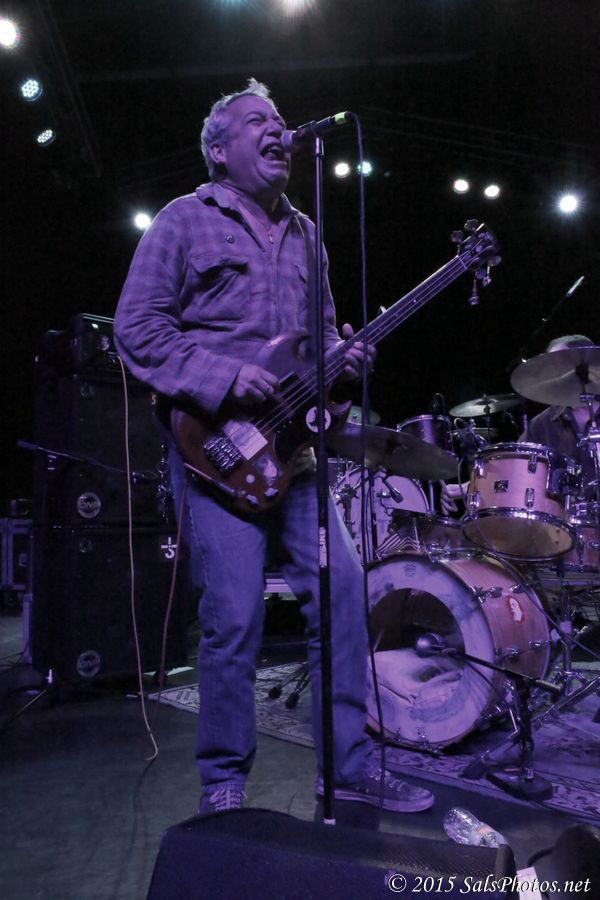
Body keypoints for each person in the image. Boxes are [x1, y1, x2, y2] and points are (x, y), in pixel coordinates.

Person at [113, 79, 433, 815]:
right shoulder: (183, 221)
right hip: (215, 451)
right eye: (258, 120)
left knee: (343, 594)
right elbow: (137, 329)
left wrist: (344, 364)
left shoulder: (308, 234)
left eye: (282, 120)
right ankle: (224, 785)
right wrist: (225, 376)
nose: (279, 129)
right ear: (219, 150)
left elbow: (317, 352)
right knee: (234, 618)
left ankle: (346, 769)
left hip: (296, 455)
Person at [441, 334, 598, 515]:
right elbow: (514, 470)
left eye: (559, 365)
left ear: (590, 368)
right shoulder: (542, 424)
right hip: (564, 524)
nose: (553, 375)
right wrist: (469, 486)